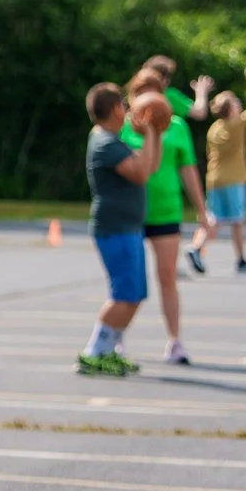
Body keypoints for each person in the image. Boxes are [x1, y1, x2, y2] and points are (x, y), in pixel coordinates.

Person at [121, 69, 212, 364]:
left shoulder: (176, 126)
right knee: (128, 280)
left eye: (154, 90)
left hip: (166, 210)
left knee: (167, 276)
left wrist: (201, 209)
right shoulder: (122, 126)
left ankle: (174, 341)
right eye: (141, 91)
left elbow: (188, 169)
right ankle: (115, 337)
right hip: (131, 211)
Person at [78, 82, 161, 377]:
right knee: (123, 294)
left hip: (127, 227)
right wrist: (150, 132)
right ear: (115, 108)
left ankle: (109, 350)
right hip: (114, 228)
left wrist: (154, 134)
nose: (127, 112)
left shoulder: (113, 139)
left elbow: (149, 166)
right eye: (124, 106)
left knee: (135, 294)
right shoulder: (105, 143)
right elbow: (140, 174)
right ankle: (93, 351)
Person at [188, 65, 246, 275]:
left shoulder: (215, 128)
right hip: (233, 178)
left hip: (215, 178)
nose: (240, 104)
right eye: (235, 102)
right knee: (238, 220)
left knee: (213, 218)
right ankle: (241, 259)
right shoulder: (235, 125)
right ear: (230, 109)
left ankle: (196, 247)